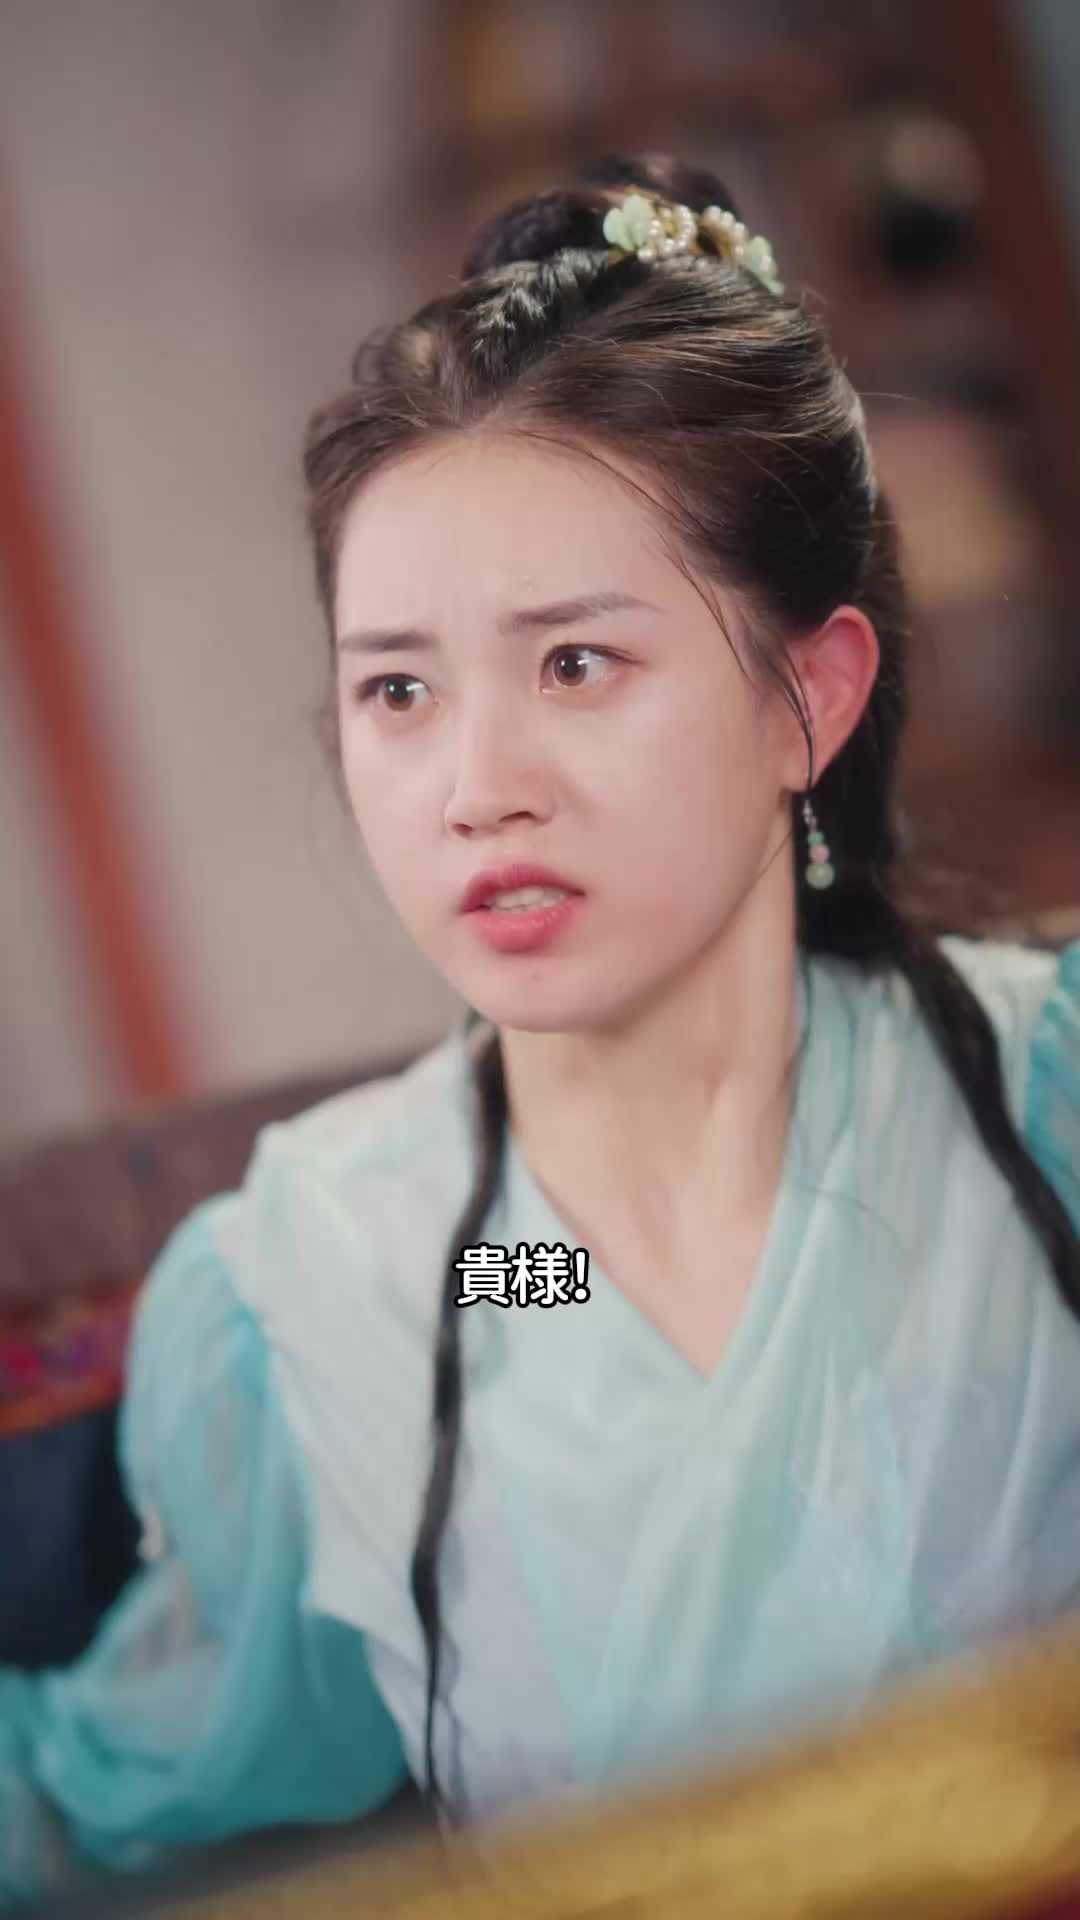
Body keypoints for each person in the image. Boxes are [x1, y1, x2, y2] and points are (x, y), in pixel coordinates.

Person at [2, 151, 1078, 1911]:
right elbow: (130, 1775)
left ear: (807, 696)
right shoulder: (360, 1277)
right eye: (399, 690)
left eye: (576, 664)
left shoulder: (1040, 1108)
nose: (474, 787)